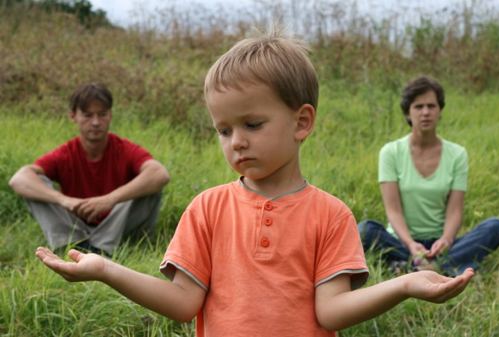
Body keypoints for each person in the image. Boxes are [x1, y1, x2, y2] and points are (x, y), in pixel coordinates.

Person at [36, 34, 474, 336]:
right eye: (223, 130)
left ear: (302, 121)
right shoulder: (207, 208)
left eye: (252, 123)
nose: (237, 141)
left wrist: (404, 286)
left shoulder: (330, 214)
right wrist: (104, 270)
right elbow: (183, 303)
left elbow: (331, 311)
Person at [358, 76, 499, 276]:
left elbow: (455, 211)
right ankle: (440, 267)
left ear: (440, 111)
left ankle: (418, 267)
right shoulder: (390, 152)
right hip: (403, 241)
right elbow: (393, 211)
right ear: (408, 113)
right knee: (365, 230)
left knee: (496, 227)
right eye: (418, 107)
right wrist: (411, 244)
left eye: (431, 106)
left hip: (440, 244)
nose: (425, 112)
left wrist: (446, 240)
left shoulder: (457, 154)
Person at [10, 83, 170, 256]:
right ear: (73, 116)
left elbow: (159, 173)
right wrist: (64, 200)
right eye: (87, 115)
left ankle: (104, 249)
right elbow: (18, 179)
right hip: (76, 226)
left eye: (102, 115)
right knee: (35, 183)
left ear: (110, 115)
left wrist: (109, 199)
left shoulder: (124, 149)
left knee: (149, 185)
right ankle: (74, 245)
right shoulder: (66, 153)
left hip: (117, 228)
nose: (95, 122)